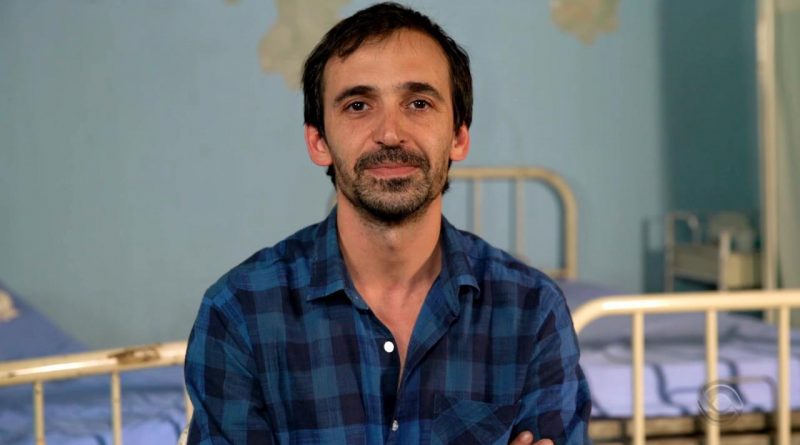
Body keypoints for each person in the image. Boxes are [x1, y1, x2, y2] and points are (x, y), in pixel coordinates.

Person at [184, 2, 591, 444]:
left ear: (458, 136)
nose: (391, 133)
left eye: (418, 103)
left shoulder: (532, 311)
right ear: (318, 141)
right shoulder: (239, 313)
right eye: (359, 105)